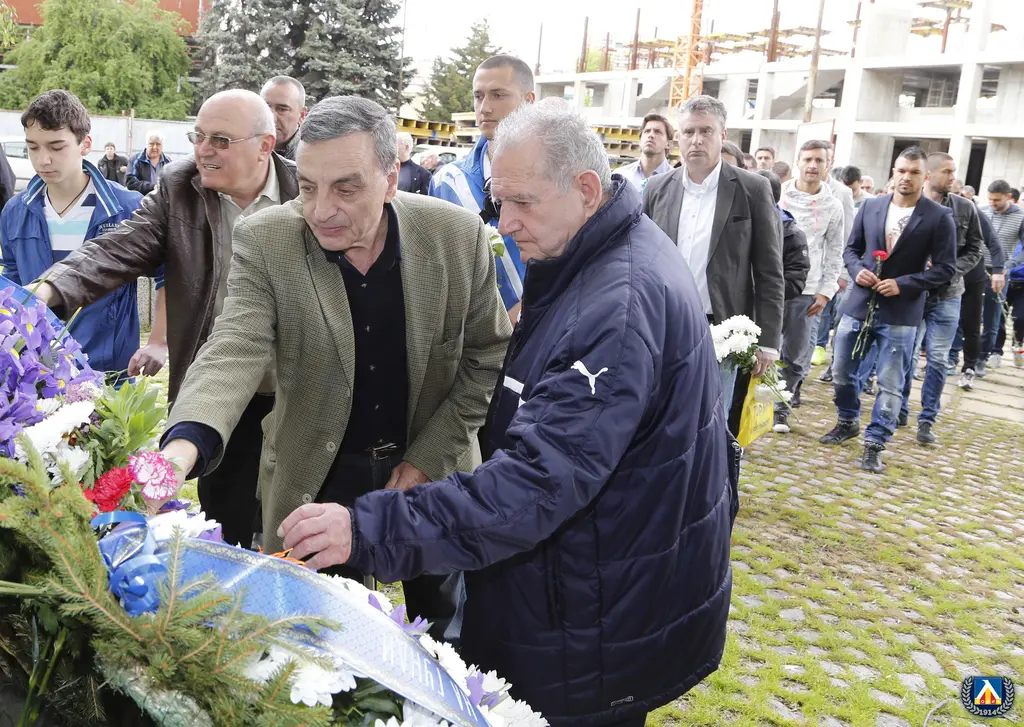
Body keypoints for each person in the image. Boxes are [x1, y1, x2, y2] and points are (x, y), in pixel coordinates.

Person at [275, 101, 735, 727]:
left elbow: (536, 483)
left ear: (586, 189)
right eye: (499, 200)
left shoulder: (617, 307)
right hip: (594, 590)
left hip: (591, 617)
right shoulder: (592, 256)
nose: (507, 223)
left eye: (523, 202)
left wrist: (368, 530)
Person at [158, 95, 512, 640]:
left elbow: (486, 357)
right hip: (316, 476)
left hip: (432, 469)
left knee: (442, 628)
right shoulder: (268, 239)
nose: (321, 210)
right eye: (308, 187)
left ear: (390, 180)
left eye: (346, 189)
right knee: (313, 641)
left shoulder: (456, 237)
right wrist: (179, 451)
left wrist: (424, 461)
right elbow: (234, 347)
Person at [32, 89, 300, 550]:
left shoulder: (305, 190)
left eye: (220, 140)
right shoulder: (180, 188)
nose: (203, 151)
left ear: (265, 145)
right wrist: (45, 292)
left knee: (296, 533)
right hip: (220, 395)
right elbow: (117, 248)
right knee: (226, 528)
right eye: (198, 136)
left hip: (298, 394)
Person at [643, 95, 784, 427]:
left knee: (711, 421)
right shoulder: (657, 188)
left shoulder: (752, 189)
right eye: (689, 131)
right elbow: (641, 260)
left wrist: (768, 342)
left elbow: (769, 270)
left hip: (723, 330)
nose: (696, 140)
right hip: (663, 325)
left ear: (722, 135)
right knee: (658, 417)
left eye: (705, 131)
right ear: (678, 138)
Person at [1, 90, 159, 379]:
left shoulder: (127, 206)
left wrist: (159, 340)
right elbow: (13, 286)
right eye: (33, 147)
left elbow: (167, 274)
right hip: (37, 375)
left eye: (56, 147)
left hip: (109, 374)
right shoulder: (14, 212)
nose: (43, 159)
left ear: (85, 144)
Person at [820, 147, 956, 474]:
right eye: (901, 171)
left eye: (914, 172)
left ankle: (876, 441)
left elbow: (946, 269)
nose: (906, 177)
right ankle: (848, 420)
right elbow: (851, 250)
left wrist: (905, 284)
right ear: (893, 172)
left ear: (925, 177)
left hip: (901, 312)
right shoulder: (871, 206)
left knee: (891, 382)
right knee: (841, 371)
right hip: (859, 304)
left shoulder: (938, 217)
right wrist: (857, 271)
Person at [431, 54, 535, 323]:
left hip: (542, 330)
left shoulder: (559, 179)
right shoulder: (447, 182)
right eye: (479, 96)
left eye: (498, 95)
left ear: (529, 101)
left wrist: (524, 313)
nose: (485, 108)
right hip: (467, 336)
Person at [897, 152, 983, 444]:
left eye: (953, 171)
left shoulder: (965, 208)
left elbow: (976, 247)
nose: (953, 177)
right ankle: (900, 407)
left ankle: (927, 419)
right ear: (929, 174)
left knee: (937, 359)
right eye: (947, 171)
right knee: (906, 355)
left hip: (948, 293)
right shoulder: (908, 205)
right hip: (914, 293)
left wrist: (950, 269)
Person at [774, 140, 844, 430]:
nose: (813, 166)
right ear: (798, 161)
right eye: (808, 160)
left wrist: (825, 292)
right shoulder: (778, 195)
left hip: (807, 292)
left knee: (796, 355)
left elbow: (835, 252)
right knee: (762, 347)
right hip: (772, 285)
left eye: (819, 160)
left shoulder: (833, 206)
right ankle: (754, 403)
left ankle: (781, 406)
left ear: (828, 164)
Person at [947, 209, 1004, 389]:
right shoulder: (933, 207)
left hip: (972, 275)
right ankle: (946, 360)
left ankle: (969, 368)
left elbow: (994, 243)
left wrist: (998, 271)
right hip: (943, 273)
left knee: (970, 323)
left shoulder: (972, 211)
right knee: (945, 321)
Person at [980, 180, 1023, 370]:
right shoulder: (982, 211)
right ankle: (959, 355)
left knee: (994, 317)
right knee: (968, 315)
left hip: (1001, 273)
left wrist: (1008, 265)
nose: (993, 203)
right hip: (977, 269)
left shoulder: (1020, 217)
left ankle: (987, 355)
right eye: (990, 199)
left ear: (1008, 197)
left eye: (997, 200)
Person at [756, 169, 810, 302]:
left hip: (769, 305)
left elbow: (794, 283)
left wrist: (753, 288)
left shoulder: (793, 236)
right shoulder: (736, 225)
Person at [618, 112, 673, 195]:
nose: (651, 135)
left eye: (657, 132)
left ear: (668, 144)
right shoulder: (621, 176)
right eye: (647, 131)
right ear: (640, 141)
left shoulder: (677, 180)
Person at [260, 76, 308, 161]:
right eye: (266, 107)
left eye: (282, 110)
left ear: (302, 115)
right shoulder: (243, 146)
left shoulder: (311, 157)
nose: (272, 117)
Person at [125, 130, 171, 196]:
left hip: (161, 200)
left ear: (162, 145)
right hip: (141, 199)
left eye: (158, 144)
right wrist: (152, 187)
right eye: (151, 144)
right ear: (146, 144)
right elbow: (130, 182)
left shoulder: (168, 162)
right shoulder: (136, 160)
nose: (155, 147)